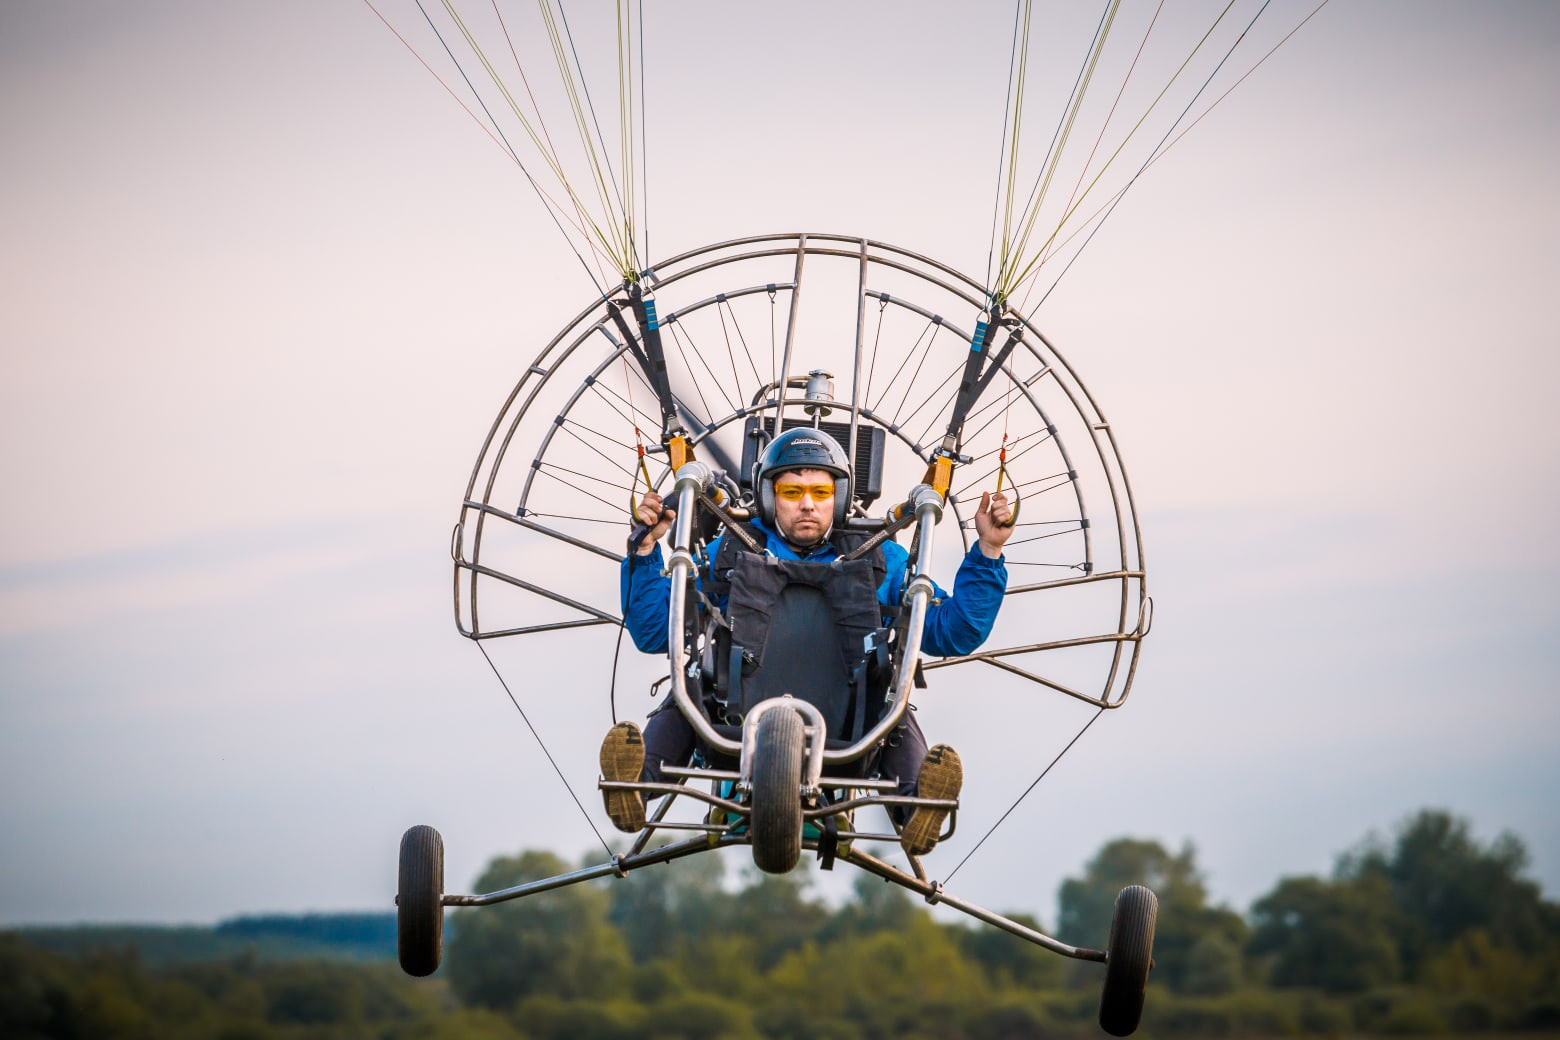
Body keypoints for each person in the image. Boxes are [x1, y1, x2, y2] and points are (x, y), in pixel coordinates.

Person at [601, 428, 1013, 856]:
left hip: (852, 726)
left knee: (893, 701)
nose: (807, 504)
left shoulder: (880, 557)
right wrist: (645, 551)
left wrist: (988, 550)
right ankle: (634, 789)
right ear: (768, 497)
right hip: (733, 721)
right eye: (791, 491)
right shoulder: (731, 551)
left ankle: (918, 811)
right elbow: (655, 631)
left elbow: (955, 632)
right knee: (688, 688)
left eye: (820, 491)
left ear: (839, 496)